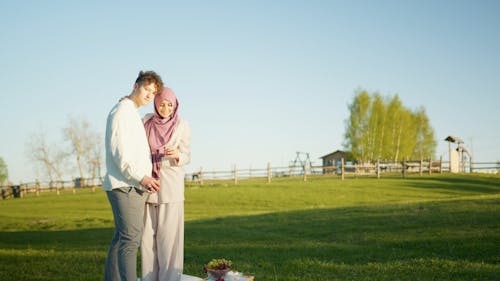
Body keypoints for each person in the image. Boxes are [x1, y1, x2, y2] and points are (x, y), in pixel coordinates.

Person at [103, 71, 163, 281]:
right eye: (147, 89)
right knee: (130, 241)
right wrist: (142, 177)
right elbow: (120, 154)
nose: (149, 95)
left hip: (132, 185)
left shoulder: (131, 112)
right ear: (136, 85)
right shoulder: (121, 112)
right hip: (126, 185)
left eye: (153, 92)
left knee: (121, 239)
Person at [141, 87, 191, 281]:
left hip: (171, 188)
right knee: (147, 240)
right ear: (155, 103)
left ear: (175, 105)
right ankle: (149, 278)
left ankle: (170, 278)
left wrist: (178, 155)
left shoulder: (182, 125)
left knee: (169, 240)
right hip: (148, 186)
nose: (166, 108)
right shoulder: (145, 122)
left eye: (170, 104)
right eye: (162, 104)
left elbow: (187, 154)